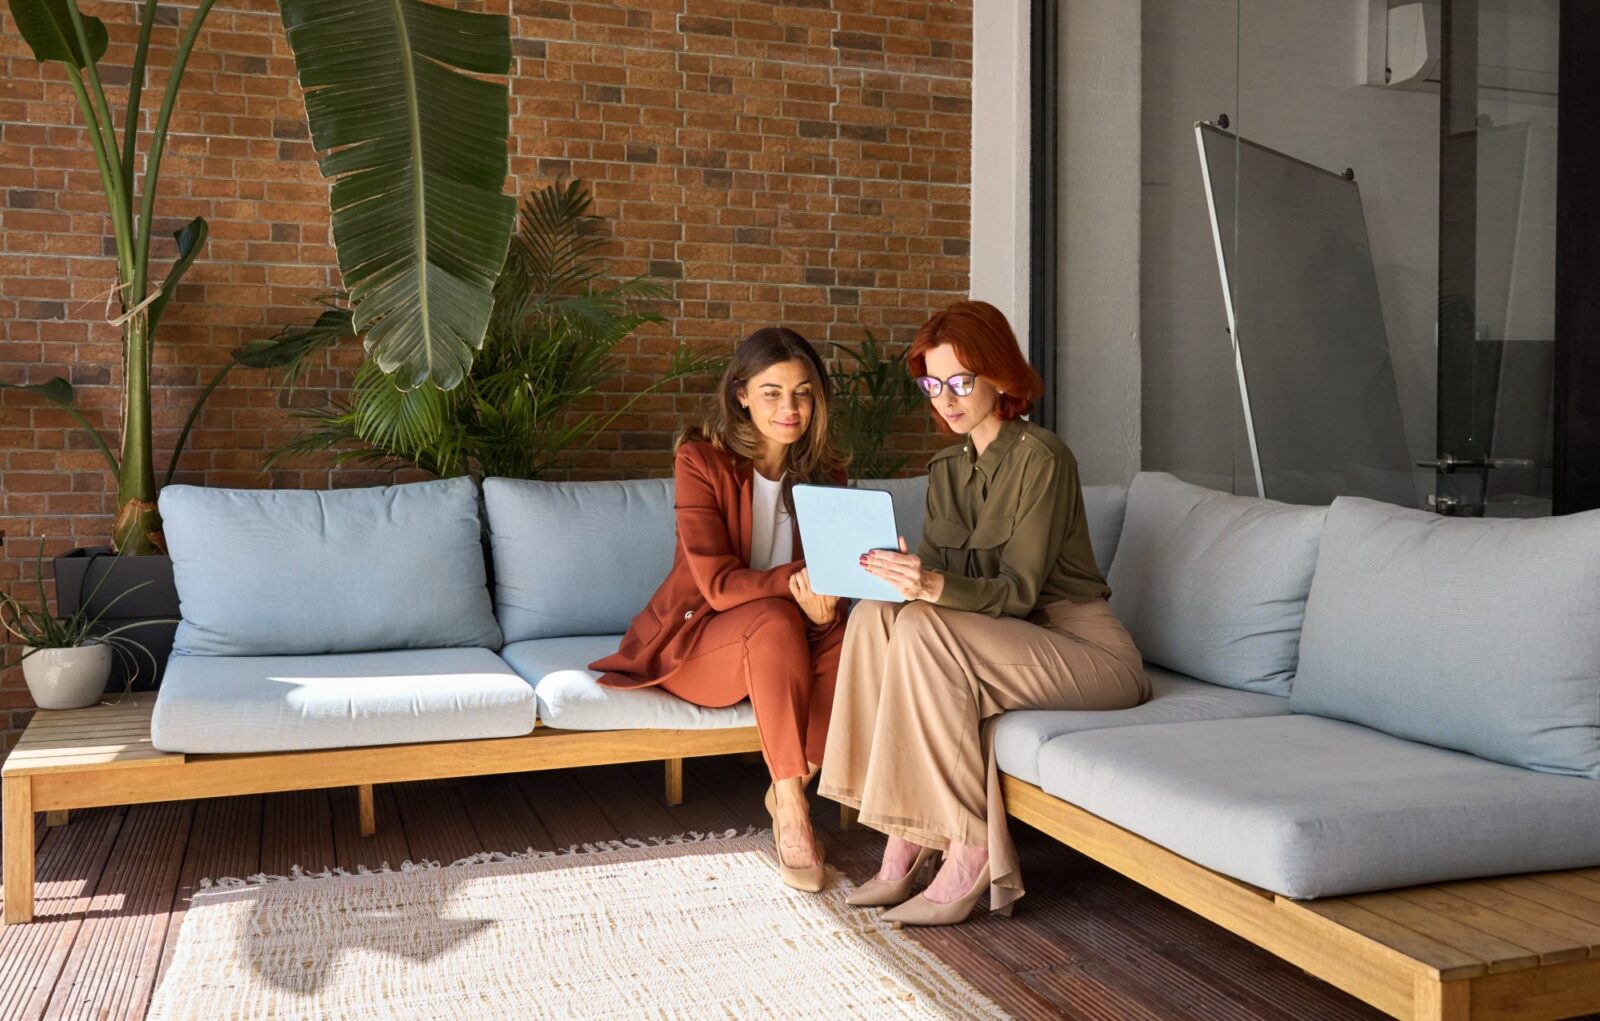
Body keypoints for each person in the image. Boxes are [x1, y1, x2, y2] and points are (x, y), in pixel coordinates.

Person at [818, 300, 1150, 925]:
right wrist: (904, 577)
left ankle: (968, 847)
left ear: (1000, 375)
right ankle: (906, 830)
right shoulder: (947, 469)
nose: (946, 398)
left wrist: (933, 585)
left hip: (1087, 650)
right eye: (933, 384)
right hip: (1004, 642)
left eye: (962, 381)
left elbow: (1018, 592)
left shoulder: (1043, 459)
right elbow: (947, 593)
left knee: (919, 622)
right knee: (874, 616)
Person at [589, 326, 849, 892]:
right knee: (775, 617)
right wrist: (802, 583)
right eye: (773, 391)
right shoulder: (701, 461)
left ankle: (795, 779)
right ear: (741, 394)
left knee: (862, 629)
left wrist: (828, 605)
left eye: (803, 392)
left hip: (789, 636)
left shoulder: (826, 477)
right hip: (702, 643)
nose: (790, 407)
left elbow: (830, 584)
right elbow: (718, 585)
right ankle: (792, 807)